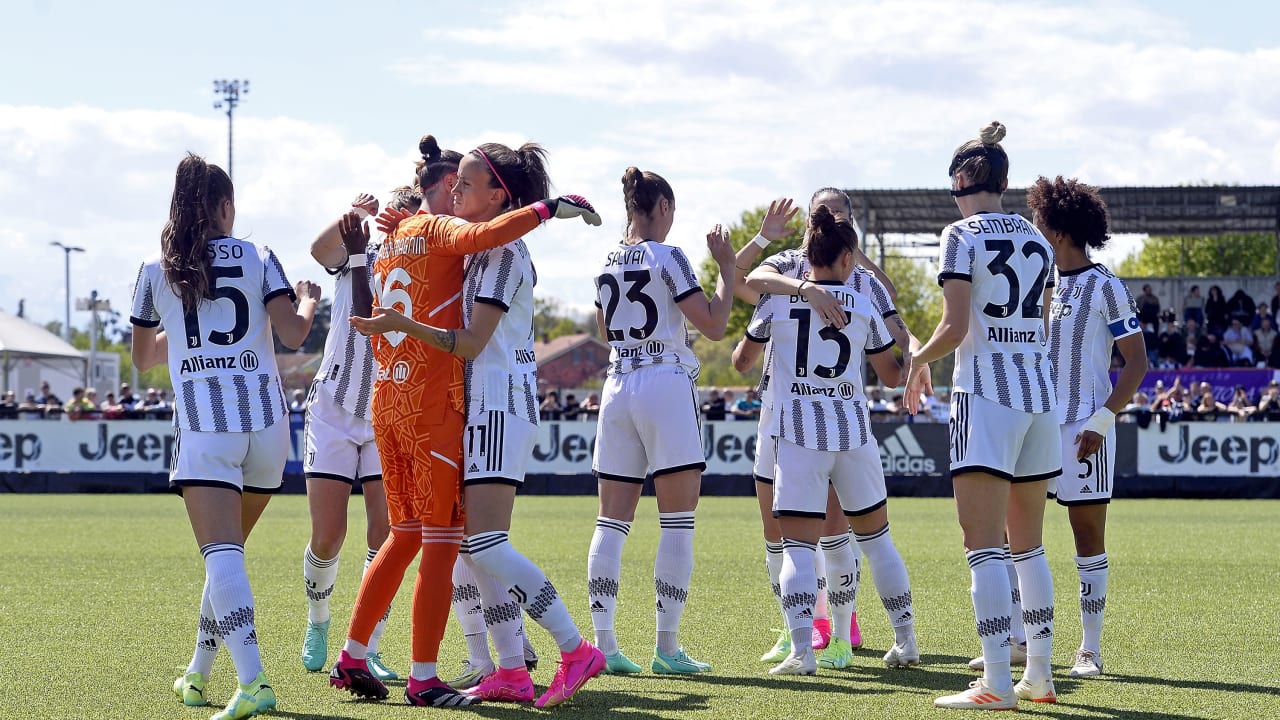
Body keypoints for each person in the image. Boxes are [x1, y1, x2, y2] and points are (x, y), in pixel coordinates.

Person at [327, 134, 602, 708]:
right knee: (462, 544)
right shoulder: (453, 240)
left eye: (468, 182)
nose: (456, 188)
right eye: (453, 181)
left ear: (499, 197)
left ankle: (572, 650)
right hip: (451, 404)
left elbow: (473, 341)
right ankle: (504, 669)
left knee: (473, 543)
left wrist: (395, 324)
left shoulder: (494, 250)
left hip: (482, 402)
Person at [132, 153, 319, 720]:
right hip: (268, 425)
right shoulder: (262, 255)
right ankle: (197, 672)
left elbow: (143, 359)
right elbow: (292, 334)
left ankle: (254, 679)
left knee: (222, 556)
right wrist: (309, 298)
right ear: (225, 207)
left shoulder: (154, 270)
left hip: (206, 429)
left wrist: (186, 338)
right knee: (227, 560)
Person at [737, 189, 929, 665]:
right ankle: (906, 642)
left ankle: (802, 649)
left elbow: (742, 362)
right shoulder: (862, 304)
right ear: (847, 257)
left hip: (797, 433)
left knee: (799, 547)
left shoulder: (776, 300)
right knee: (878, 541)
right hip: (852, 432)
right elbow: (889, 373)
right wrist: (913, 361)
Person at [907, 123, 1059, 710]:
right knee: (1030, 547)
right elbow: (1038, 321)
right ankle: (1039, 676)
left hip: (986, 397)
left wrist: (918, 358)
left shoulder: (958, 233)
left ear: (964, 179)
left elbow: (955, 326)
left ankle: (997, 682)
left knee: (984, 548)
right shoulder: (1039, 239)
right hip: (1037, 396)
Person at [586, 166, 735, 676]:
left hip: (617, 385)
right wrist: (728, 269)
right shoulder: (669, 255)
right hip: (665, 383)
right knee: (677, 522)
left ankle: (603, 645)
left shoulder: (607, 259)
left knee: (610, 522)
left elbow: (606, 330)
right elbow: (714, 325)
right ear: (664, 208)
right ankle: (667, 648)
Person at [1025, 175, 1147, 680]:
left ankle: (1089, 649)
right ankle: (1021, 640)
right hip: (1032, 427)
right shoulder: (1035, 285)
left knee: (1086, 533)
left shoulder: (1106, 286)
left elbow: (1137, 363)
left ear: (1056, 230)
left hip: (1084, 430)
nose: (1032, 226)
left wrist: (1101, 421)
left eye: (1037, 220)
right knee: (1021, 533)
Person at [297, 191, 403, 680]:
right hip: (334, 408)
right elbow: (320, 251)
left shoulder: (430, 263)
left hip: (386, 411)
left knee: (384, 536)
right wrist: (355, 213)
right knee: (329, 534)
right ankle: (318, 620)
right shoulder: (365, 250)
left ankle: (367, 645)